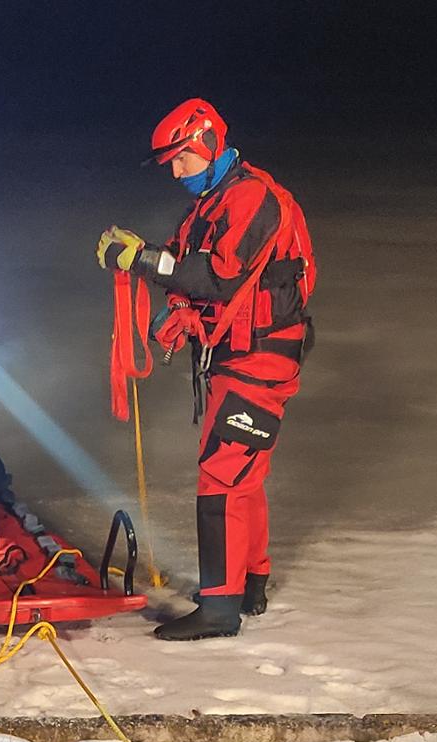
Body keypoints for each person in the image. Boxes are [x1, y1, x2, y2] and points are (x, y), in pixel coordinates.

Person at [96, 98, 317, 641]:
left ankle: (220, 608)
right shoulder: (215, 202)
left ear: (207, 145)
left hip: (258, 358)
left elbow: (217, 277)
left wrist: (143, 260)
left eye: (181, 159)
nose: (175, 172)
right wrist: (152, 273)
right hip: (241, 355)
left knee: (221, 477)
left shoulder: (252, 198)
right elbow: (186, 264)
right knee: (245, 474)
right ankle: (249, 581)